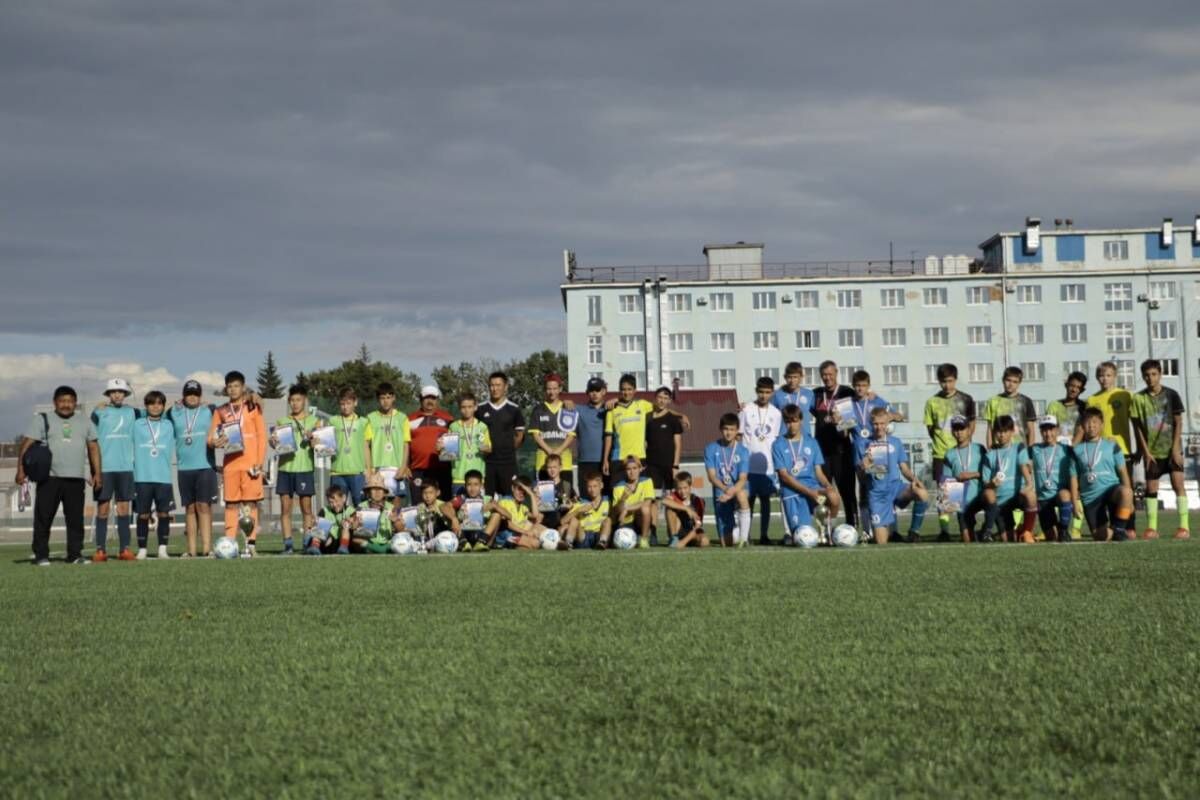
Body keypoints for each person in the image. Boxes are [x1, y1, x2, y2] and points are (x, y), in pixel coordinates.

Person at [16, 385, 100, 565]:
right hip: (49, 478)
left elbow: (93, 447)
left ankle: (75, 555)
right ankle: (41, 555)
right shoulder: (42, 419)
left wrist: (97, 473)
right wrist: (20, 470)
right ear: (55, 402)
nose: (66, 405)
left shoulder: (84, 421)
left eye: (70, 401)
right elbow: (26, 444)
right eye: (62, 401)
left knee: (76, 520)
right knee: (43, 518)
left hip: (76, 478)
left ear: (75, 403)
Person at [207, 371, 267, 556]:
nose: (233, 389)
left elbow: (261, 436)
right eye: (230, 386)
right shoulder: (221, 411)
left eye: (236, 386)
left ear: (243, 387)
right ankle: (230, 544)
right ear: (226, 389)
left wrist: (259, 461)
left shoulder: (252, 406)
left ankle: (251, 545)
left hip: (250, 465)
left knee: (250, 505)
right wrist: (214, 442)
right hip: (231, 465)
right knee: (231, 505)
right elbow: (211, 437)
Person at [1132, 359, 1189, 540]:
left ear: (1160, 374)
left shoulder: (1172, 395)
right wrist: (1145, 452)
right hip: (1152, 453)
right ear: (1143, 376)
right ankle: (1151, 528)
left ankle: (1184, 527)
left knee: (1178, 485)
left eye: (1154, 374)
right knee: (1151, 489)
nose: (1150, 378)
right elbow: (1137, 427)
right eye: (1147, 375)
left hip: (1172, 450)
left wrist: (1175, 449)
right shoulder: (1138, 399)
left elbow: (1179, 422)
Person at [858, 407, 929, 545]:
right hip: (877, 494)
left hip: (896, 488)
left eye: (882, 423)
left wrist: (916, 480)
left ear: (887, 424)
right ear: (871, 424)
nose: (879, 427)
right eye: (876, 424)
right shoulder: (863, 444)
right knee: (881, 542)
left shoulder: (895, 442)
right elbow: (860, 477)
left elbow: (904, 469)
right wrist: (863, 467)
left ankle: (914, 532)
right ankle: (879, 530)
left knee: (922, 493)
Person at [843, 370, 902, 534]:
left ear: (868, 386)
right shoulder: (848, 406)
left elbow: (899, 416)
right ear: (853, 386)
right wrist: (837, 421)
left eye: (863, 386)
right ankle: (867, 531)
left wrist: (888, 417)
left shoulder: (877, 401)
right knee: (864, 492)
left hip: (877, 451)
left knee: (882, 489)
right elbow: (843, 432)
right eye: (857, 386)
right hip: (858, 453)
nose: (860, 389)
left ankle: (893, 530)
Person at [772, 404, 840, 545]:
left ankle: (828, 530)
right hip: (792, 491)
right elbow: (784, 476)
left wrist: (828, 486)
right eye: (788, 421)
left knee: (833, 496)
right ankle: (799, 533)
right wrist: (810, 493)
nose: (792, 425)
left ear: (801, 420)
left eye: (795, 421)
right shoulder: (778, 444)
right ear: (785, 422)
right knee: (804, 539)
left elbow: (818, 472)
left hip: (813, 487)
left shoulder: (811, 442)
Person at [923, 363, 976, 540]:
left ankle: (967, 528)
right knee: (944, 494)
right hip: (941, 454)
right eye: (943, 382)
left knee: (965, 491)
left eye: (950, 381)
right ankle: (944, 530)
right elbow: (931, 429)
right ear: (938, 381)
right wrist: (942, 443)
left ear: (956, 379)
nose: (947, 385)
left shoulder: (966, 399)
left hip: (961, 453)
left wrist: (963, 443)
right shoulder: (932, 402)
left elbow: (972, 424)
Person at [167, 380, 219, 558]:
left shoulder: (209, 410)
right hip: (184, 468)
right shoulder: (175, 412)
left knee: (204, 506)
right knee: (189, 508)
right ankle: (191, 550)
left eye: (196, 394)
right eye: (189, 393)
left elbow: (230, 411)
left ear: (200, 395)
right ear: (183, 395)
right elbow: (154, 414)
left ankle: (207, 549)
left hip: (205, 466)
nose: (192, 397)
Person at [1086, 361, 1136, 536]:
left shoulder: (1125, 395)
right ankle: (1112, 527)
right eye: (1101, 375)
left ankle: (1129, 527)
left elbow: (1136, 423)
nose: (1104, 379)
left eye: (1108, 375)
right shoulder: (1092, 400)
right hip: (1099, 454)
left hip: (1122, 449)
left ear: (1115, 376)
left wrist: (1139, 448)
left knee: (1126, 489)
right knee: (1106, 489)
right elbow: (1087, 427)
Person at [1071, 407, 1134, 542]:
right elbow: (1073, 478)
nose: (1091, 426)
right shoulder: (1076, 450)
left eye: (1095, 422)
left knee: (1126, 493)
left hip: (1111, 490)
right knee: (1101, 537)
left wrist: (1130, 498)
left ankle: (1119, 529)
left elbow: (1123, 471)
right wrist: (1075, 502)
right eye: (1088, 422)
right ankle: (1114, 529)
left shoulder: (1112, 446)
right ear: (1082, 425)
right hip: (1091, 497)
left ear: (1101, 424)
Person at [91, 377, 136, 560]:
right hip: (104, 468)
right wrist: (94, 469)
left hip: (125, 467)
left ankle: (124, 549)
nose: (117, 394)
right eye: (114, 392)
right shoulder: (98, 412)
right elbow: (90, 441)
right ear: (109, 394)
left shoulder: (134, 413)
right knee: (102, 509)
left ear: (125, 394)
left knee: (123, 509)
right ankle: (100, 549)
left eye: (121, 392)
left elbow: (157, 412)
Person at [272, 384, 319, 555]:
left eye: (298, 400)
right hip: (285, 469)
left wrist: (313, 439)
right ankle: (288, 545)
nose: (295, 403)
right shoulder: (282, 422)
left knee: (306, 509)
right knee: (285, 509)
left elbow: (319, 446)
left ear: (304, 401)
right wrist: (273, 441)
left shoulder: (314, 421)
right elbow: (275, 444)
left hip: (304, 469)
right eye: (292, 400)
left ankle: (307, 543)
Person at [812, 361, 858, 531]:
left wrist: (841, 423)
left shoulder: (847, 392)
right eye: (824, 374)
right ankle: (825, 530)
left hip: (842, 450)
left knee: (847, 492)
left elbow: (861, 403)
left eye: (830, 374)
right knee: (824, 493)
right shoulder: (816, 394)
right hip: (822, 452)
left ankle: (852, 526)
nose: (827, 377)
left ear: (836, 373)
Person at [131, 391, 176, 560]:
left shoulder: (169, 425)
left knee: (164, 514)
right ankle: (142, 549)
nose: (155, 406)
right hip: (142, 477)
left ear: (164, 406)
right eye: (151, 403)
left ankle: (162, 549)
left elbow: (178, 412)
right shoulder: (137, 424)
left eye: (159, 403)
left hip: (163, 477)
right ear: (146, 406)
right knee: (142, 514)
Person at [979, 415, 1038, 543]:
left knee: (1031, 495)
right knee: (1008, 539)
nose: (1001, 435)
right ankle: (1012, 531)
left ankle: (1027, 531)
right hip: (1001, 502)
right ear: (994, 433)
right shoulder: (990, 454)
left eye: (1005, 431)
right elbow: (985, 484)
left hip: (1018, 496)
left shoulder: (1019, 447)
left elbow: (1023, 466)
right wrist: (992, 483)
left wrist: (1029, 483)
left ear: (1012, 431)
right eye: (999, 431)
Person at [740, 376, 784, 545]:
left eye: (767, 392)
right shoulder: (746, 410)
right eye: (761, 392)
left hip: (768, 466)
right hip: (749, 466)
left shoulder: (776, 413)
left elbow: (777, 439)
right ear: (756, 391)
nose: (764, 396)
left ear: (772, 393)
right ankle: (747, 534)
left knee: (765, 501)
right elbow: (739, 435)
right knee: (748, 501)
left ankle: (764, 535)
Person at [703, 413, 752, 547]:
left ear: (737, 430)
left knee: (742, 495)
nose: (728, 433)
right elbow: (711, 477)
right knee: (727, 543)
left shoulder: (743, 451)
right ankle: (737, 531)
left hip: (738, 488)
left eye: (732, 429)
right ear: (720, 428)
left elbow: (743, 478)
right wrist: (725, 490)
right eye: (725, 429)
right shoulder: (711, 448)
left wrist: (731, 492)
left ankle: (743, 538)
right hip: (721, 491)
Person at [478, 372, 526, 497]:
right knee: (487, 499)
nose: (495, 389)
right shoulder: (480, 409)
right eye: (492, 385)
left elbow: (519, 435)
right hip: (487, 463)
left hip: (508, 463)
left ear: (506, 387)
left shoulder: (514, 409)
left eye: (498, 385)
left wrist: (507, 449)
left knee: (509, 499)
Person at [1029, 416, 1076, 543]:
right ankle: (1058, 530)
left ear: (1057, 430)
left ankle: (1064, 530)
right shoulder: (1034, 449)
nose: (1048, 433)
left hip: (1059, 494)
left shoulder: (1066, 449)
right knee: (1051, 537)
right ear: (1040, 432)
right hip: (1043, 498)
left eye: (1051, 429)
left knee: (1065, 494)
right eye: (1044, 430)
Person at [644, 386, 683, 538]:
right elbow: (644, 442)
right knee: (653, 500)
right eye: (660, 397)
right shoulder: (648, 418)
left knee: (670, 500)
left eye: (666, 398)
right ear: (655, 398)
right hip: (652, 466)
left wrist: (675, 465)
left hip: (669, 466)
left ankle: (672, 534)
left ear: (669, 401)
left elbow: (678, 444)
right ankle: (653, 533)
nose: (662, 400)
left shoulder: (673, 420)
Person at [941, 415, 987, 542]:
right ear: (952, 431)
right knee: (967, 540)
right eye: (955, 429)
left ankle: (985, 530)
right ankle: (972, 532)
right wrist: (948, 503)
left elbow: (988, 472)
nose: (959, 432)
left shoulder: (980, 448)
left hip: (981, 496)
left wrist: (971, 474)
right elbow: (946, 483)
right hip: (962, 501)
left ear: (969, 430)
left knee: (993, 503)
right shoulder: (949, 454)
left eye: (962, 428)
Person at [528, 374, 578, 485]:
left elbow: (571, 435)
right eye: (549, 389)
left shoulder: (567, 408)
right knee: (545, 497)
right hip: (543, 462)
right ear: (545, 390)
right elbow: (536, 435)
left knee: (565, 495)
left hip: (564, 462)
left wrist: (558, 451)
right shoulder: (538, 409)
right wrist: (550, 451)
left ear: (560, 389)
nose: (552, 392)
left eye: (555, 388)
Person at [602, 374, 653, 482]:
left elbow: (661, 407)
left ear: (635, 390)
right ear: (619, 390)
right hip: (619, 459)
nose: (626, 392)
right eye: (623, 389)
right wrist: (605, 459)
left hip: (639, 457)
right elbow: (608, 437)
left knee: (639, 494)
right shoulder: (612, 409)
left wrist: (681, 416)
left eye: (629, 389)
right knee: (619, 494)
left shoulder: (643, 405)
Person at [407, 385, 454, 500]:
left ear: (437, 400)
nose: (429, 401)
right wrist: (406, 466)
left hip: (442, 470)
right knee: (418, 505)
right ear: (421, 400)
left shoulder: (448, 418)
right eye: (426, 398)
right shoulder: (410, 419)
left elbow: (452, 449)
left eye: (433, 398)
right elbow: (405, 444)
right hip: (418, 470)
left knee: (443, 504)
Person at [329, 387, 374, 506]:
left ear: (355, 402)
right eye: (342, 404)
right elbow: (324, 441)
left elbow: (366, 447)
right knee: (337, 506)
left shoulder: (363, 422)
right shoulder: (333, 421)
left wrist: (368, 470)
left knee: (361, 505)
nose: (345, 407)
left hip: (357, 472)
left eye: (348, 403)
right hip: (337, 472)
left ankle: (360, 526)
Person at [368, 382, 412, 503]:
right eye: (382, 398)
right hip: (378, 469)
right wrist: (369, 468)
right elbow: (366, 446)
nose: (386, 401)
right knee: (378, 504)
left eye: (388, 397)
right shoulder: (371, 418)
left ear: (394, 398)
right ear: (378, 399)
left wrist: (403, 467)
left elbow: (406, 444)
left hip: (397, 468)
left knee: (396, 506)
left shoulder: (402, 418)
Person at [446, 392, 492, 495]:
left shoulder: (482, 427)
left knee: (477, 509)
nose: (467, 410)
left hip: (477, 479)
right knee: (459, 509)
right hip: (459, 477)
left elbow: (489, 448)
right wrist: (441, 449)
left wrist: (485, 448)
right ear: (459, 408)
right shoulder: (453, 427)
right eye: (463, 407)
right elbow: (449, 454)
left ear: (475, 407)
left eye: (470, 407)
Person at [983, 366, 1037, 446]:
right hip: (999, 450)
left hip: (1020, 450)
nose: (1011, 384)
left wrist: (1030, 451)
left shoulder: (1026, 401)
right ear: (1003, 380)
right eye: (1008, 380)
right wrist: (990, 450)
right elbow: (990, 429)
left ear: (1019, 383)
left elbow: (1031, 430)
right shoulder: (992, 401)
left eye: (1015, 382)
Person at [484, 478, 545, 549]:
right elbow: (507, 523)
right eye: (519, 489)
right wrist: (525, 532)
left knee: (539, 527)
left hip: (517, 534)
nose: (521, 493)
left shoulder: (523, 507)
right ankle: (509, 545)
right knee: (535, 543)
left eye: (525, 491)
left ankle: (520, 547)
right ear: (513, 488)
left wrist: (531, 495)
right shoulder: (505, 501)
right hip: (506, 536)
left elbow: (535, 515)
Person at [610, 455, 656, 548]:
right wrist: (623, 498)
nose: (632, 472)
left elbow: (647, 503)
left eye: (635, 468)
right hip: (625, 521)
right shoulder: (618, 487)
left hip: (640, 520)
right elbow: (616, 512)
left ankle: (644, 539)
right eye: (628, 469)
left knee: (647, 508)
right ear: (624, 471)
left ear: (640, 469)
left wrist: (627, 509)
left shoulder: (647, 481)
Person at [574, 378, 610, 492]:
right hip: (585, 461)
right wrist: (566, 403)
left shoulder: (611, 409)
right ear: (587, 392)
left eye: (597, 390)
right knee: (585, 497)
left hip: (605, 462)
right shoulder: (578, 410)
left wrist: (616, 400)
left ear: (604, 391)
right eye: (591, 390)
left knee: (605, 498)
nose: (594, 393)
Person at [561, 471, 612, 549]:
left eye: (595, 486)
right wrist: (578, 510)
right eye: (589, 486)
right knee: (574, 520)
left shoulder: (608, 501)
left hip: (598, 535)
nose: (592, 490)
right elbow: (562, 521)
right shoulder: (582, 503)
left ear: (601, 485)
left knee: (608, 520)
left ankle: (602, 542)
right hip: (583, 536)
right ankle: (568, 542)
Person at [532, 453, 577, 533]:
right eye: (549, 467)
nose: (552, 470)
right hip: (544, 523)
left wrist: (571, 505)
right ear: (546, 469)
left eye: (555, 467)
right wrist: (536, 499)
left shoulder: (567, 485)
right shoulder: (541, 486)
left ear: (560, 467)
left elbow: (575, 501)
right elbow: (536, 509)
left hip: (561, 523)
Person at [661, 472, 708, 548]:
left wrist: (683, 542)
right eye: (679, 488)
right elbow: (664, 501)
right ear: (676, 488)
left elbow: (697, 526)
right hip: (678, 530)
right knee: (669, 509)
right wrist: (686, 508)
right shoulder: (675, 496)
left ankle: (685, 542)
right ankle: (674, 539)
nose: (682, 492)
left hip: (692, 532)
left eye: (685, 488)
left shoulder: (698, 501)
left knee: (704, 541)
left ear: (690, 487)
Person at [350, 473, 395, 554]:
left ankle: (377, 549)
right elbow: (353, 526)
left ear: (384, 493)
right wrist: (354, 524)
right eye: (374, 489)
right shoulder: (361, 507)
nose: (377, 492)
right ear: (368, 492)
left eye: (380, 489)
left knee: (399, 539)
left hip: (387, 541)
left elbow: (401, 529)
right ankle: (378, 549)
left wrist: (396, 521)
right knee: (355, 540)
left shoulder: (391, 507)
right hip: (368, 541)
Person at [450, 469, 491, 551]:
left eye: (476, 484)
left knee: (496, 515)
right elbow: (443, 506)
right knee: (450, 512)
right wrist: (453, 518)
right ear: (465, 486)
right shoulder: (462, 498)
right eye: (469, 485)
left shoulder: (487, 499)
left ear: (481, 486)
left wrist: (495, 506)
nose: (472, 488)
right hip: (466, 533)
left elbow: (508, 515)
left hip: (482, 534)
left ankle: (482, 542)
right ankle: (463, 542)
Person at [306, 485, 353, 555]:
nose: (334, 504)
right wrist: (314, 523)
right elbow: (316, 527)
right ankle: (315, 546)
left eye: (337, 501)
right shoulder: (324, 511)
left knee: (346, 525)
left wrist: (350, 521)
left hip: (343, 539)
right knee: (319, 527)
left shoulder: (350, 510)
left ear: (343, 498)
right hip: (328, 540)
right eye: (331, 502)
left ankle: (343, 547)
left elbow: (355, 524)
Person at [771, 362, 815, 432]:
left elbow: (819, 413)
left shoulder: (809, 394)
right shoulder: (777, 395)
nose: (792, 381)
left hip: (804, 438)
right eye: (789, 377)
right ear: (785, 377)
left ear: (801, 377)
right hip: (784, 438)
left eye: (795, 377)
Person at [1047, 371, 1088, 445]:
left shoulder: (1084, 407)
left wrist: (1072, 446)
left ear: (1082, 390)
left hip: (1077, 449)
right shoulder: (1054, 406)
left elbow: (1083, 429)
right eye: (1072, 385)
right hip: (1057, 448)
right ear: (1066, 385)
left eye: (1078, 387)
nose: (1074, 390)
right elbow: (1049, 429)